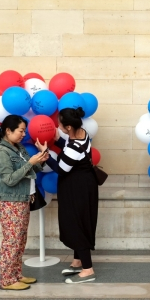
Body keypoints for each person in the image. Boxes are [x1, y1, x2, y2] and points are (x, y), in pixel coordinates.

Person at [0, 115, 49, 291]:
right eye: (21, 130)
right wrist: (30, 162)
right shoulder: (1, 152)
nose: (23, 134)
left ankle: (16, 274)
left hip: (23, 200)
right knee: (11, 241)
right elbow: (9, 180)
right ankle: (7, 280)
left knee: (20, 240)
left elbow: (27, 171)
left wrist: (39, 162)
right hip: (10, 202)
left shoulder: (18, 148)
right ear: (8, 130)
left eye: (24, 131)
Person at [39, 107, 99, 284]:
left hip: (77, 188)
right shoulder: (82, 133)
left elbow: (61, 168)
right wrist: (58, 143)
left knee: (76, 223)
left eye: (61, 126)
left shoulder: (74, 145)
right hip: (83, 185)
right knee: (79, 220)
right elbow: (73, 152)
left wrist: (45, 155)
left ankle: (88, 270)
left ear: (69, 128)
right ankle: (78, 261)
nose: (58, 128)